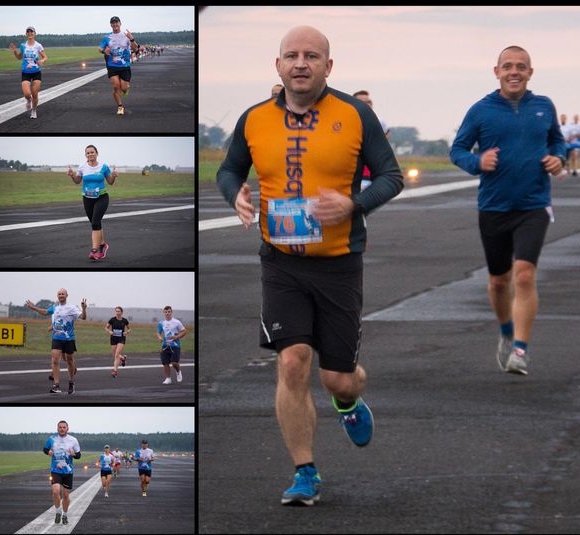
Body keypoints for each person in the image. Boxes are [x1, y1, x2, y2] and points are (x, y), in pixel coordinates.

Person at [216, 26, 403, 506]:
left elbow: (391, 176)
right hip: (280, 262)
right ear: (277, 65)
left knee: (336, 376)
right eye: (292, 56)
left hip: (339, 264)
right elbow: (229, 168)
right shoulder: (254, 119)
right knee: (293, 360)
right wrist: (233, 193)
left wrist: (352, 205)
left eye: (312, 56)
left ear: (328, 66)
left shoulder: (355, 114)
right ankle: (305, 471)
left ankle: (348, 399)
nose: (301, 63)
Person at [451, 44, 564, 377]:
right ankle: (505, 332)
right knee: (499, 282)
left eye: (521, 66)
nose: (514, 72)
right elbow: (457, 150)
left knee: (524, 274)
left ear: (531, 72)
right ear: (496, 71)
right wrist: (477, 162)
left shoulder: (544, 106)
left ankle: (520, 350)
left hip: (533, 204)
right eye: (508, 66)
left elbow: (557, 141)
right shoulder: (481, 110)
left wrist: (558, 157)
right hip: (494, 206)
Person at [25, 290, 87, 394]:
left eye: (63, 294)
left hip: (69, 338)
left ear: (67, 295)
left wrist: (84, 309)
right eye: (59, 294)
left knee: (69, 360)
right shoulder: (55, 307)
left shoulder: (72, 308)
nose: (61, 295)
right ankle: (56, 385)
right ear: (57, 296)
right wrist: (34, 308)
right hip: (57, 337)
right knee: (55, 360)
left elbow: (83, 317)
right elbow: (45, 312)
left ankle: (71, 382)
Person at [67, 144, 118, 260]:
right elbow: (77, 181)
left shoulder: (104, 166)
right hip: (87, 199)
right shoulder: (82, 167)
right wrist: (72, 175)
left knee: (95, 222)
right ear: (86, 155)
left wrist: (114, 176)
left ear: (97, 153)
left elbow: (110, 182)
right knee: (95, 223)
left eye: (92, 152)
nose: (90, 154)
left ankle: (94, 250)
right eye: (88, 153)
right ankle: (103, 245)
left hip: (102, 197)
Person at [99, 16, 140, 115]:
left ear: (120, 24)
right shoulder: (107, 37)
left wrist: (132, 39)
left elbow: (136, 49)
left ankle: (125, 90)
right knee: (116, 86)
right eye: (113, 23)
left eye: (116, 22)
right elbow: (99, 48)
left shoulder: (126, 36)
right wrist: (105, 51)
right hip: (112, 65)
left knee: (124, 87)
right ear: (111, 25)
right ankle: (120, 107)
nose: (115, 24)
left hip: (125, 66)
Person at [44, 421, 81, 525]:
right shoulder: (52, 438)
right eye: (60, 427)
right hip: (55, 470)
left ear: (67, 428)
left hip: (68, 471)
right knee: (55, 491)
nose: (62, 429)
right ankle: (58, 511)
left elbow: (79, 455)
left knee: (65, 495)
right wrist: (48, 452)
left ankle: (65, 514)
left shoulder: (73, 440)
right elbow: (45, 449)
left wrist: (74, 454)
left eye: (64, 427)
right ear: (57, 428)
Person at [352, 90, 391, 190]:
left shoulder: (379, 121)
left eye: (369, 102)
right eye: (363, 102)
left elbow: (386, 135)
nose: (367, 105)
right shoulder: (343, 121)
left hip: (369, 173)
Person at [8, 26, 47, 120]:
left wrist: (42, 61)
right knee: (26, 94)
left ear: (34, 34)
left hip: (36, 72)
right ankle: (28, 100)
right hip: (25, 72)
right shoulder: (23, 45)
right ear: (26, 34)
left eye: (32, 32)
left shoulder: (38, 45)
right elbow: (19, 58)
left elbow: (45, 57)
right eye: (28, 32)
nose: (30, 33)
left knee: (35, 94)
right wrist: (14, 52)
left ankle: (34, 111)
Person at [156, 306, 188, 385]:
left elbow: (184, 331)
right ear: (164, 313)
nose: (167, 313)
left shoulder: (177, 322)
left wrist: (177, 337)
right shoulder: (161, 322)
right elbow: (158, 332)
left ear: (171, 312)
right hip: (165, 346)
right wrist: (160, 338)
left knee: (174, 363)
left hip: (175, 345)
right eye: (166, 312)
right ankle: (168, 378)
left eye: (169, 312)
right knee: (165, 363)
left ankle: (178, 371)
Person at [106, 306, 130, 378]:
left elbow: (129, 329)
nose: (117, 312)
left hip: (121, 338)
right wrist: (109, 331)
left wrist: (127, 332)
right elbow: (106, 327)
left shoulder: (124, 320)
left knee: (116, 354)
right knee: (114, 354)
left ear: (121, 312)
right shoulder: (112, 320)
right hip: (113, 338)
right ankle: (123, 358)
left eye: (119, 311)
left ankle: (115, 371)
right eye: (116, 311)